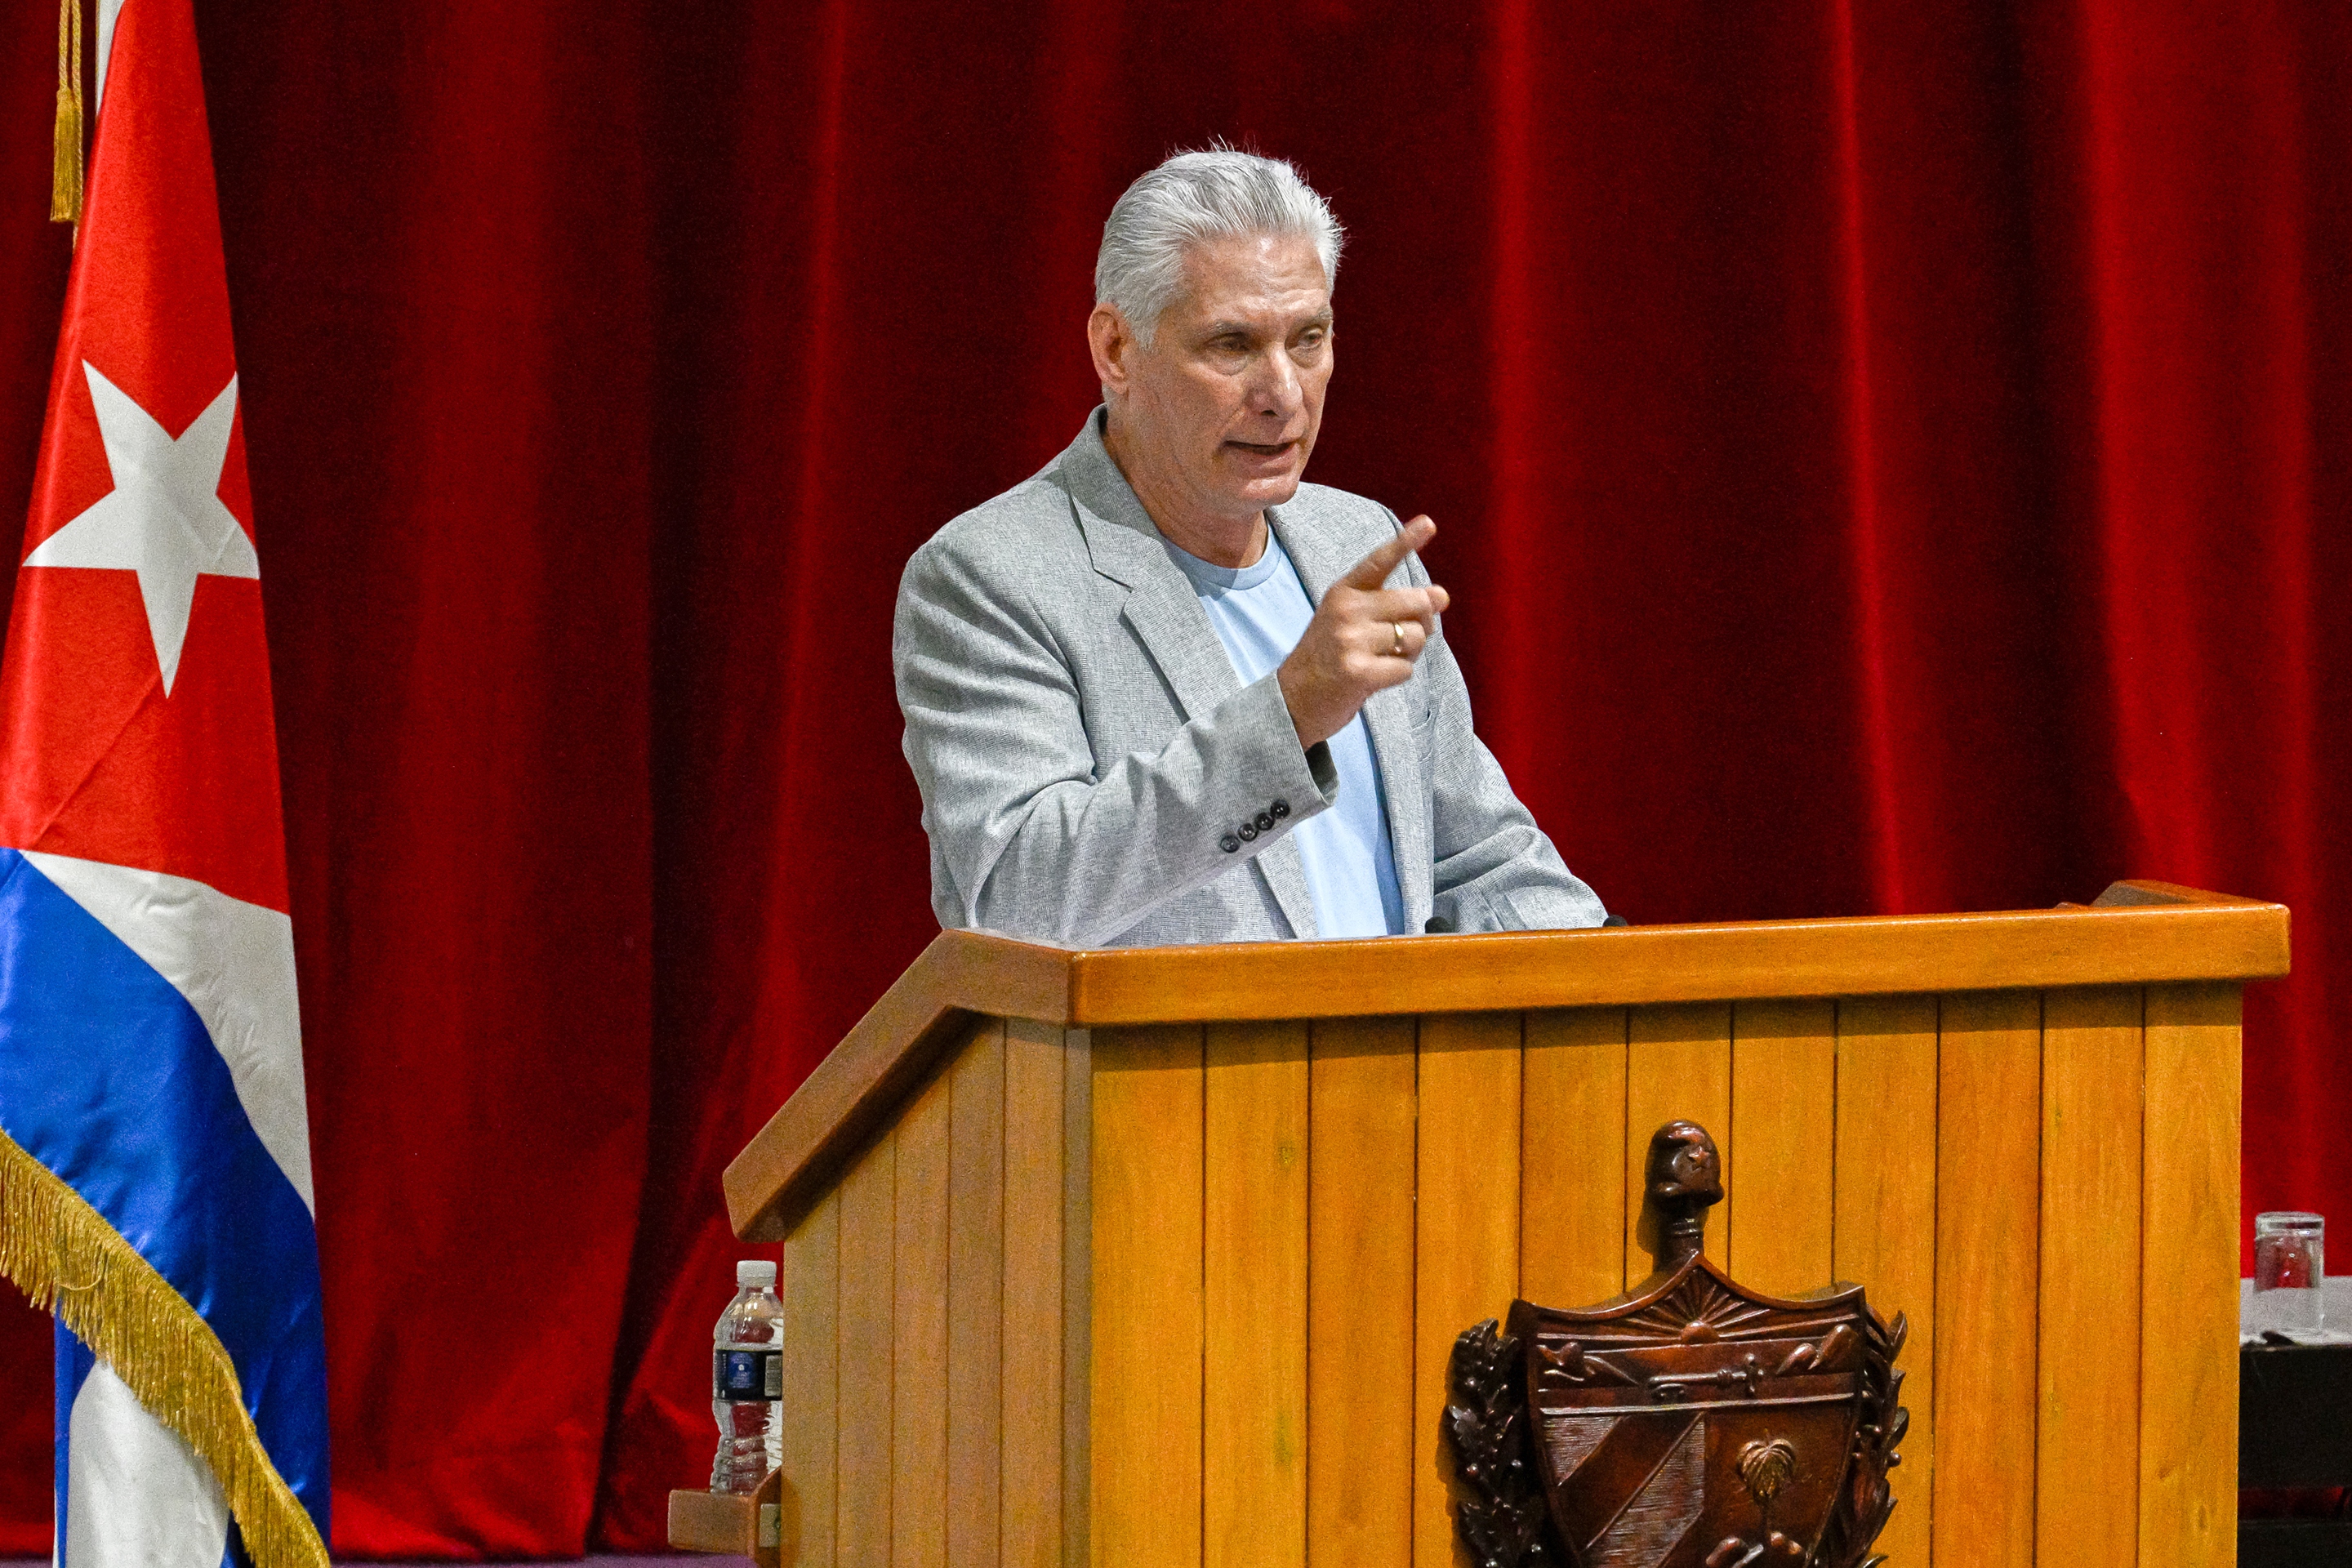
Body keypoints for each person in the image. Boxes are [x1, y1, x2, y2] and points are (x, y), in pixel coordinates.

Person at [893, 148, 1608, 947]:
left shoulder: (1359, 542)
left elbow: (1479, 861)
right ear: (1117, 351)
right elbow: (1021, 898)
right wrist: (1291, 712)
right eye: (1232, 346)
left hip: (1391, 1071)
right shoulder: (992, 577)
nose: (1284, 394)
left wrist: (1628, 994)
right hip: (1165, 1076)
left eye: (1309, 339)